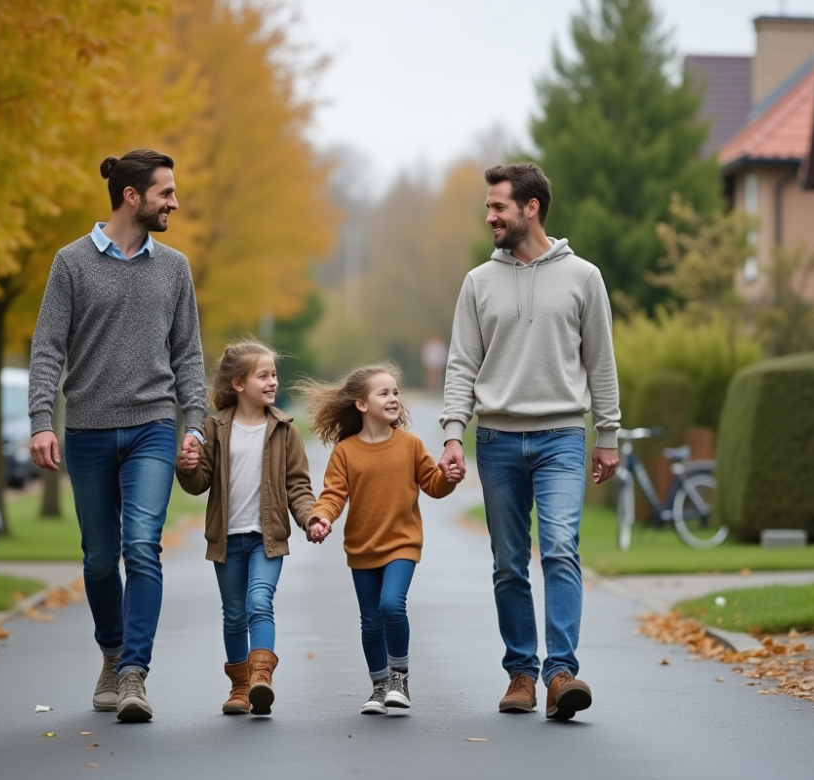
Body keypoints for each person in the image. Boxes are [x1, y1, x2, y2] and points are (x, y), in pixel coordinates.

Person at [28, 149, 208, 723]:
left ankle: (133, 674)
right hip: (86, 429)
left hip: (153, 427)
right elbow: (48, 346)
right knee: (101, 558)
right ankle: (111, 651)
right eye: (166, 193)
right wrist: (40, 422)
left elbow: (188, 354)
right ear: (133, 196)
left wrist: (195, 424)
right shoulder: (71, 263)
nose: (174, 203)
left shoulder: (174, 267)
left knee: (142, 547)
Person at [438, 162, 620, 721]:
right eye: (489, 206)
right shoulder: (478, 282)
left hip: (563, 436)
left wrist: (607, 434)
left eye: (498, 206)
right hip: (495, 440)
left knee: (561, 547)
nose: (489, 215)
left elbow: (601, 361)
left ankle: (560, 673)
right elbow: (462, 364)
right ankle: (520, 672)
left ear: (531, 208)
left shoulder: (583, 276)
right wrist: (452, 434)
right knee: (509, 562)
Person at [301, 364, 462, 715]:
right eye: (384, 393)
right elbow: (333, 494)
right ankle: (378, 686)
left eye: (395, 392)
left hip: (402, 542)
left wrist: (449, 477)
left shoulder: (410, 445)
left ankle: (399, 677)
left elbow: (433, 485)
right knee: (370, 620)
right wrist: (321, 517)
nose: (393, 398)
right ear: (362, 404)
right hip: (362, 546)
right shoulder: (345, 451)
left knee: (392, 605)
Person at [175, 340, 315, 716]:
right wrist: (186, 467)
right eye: (263, 375)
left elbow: (298, 487)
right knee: (234, 612)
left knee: (258, 602)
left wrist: (310, 517)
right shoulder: (215, 427)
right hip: (226, 538)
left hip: (267, 539)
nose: (273, 382)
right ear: (238, 383)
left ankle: (261, 679)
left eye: (274, 375)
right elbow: (199, 480)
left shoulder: (285, 430)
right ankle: (239, 688)